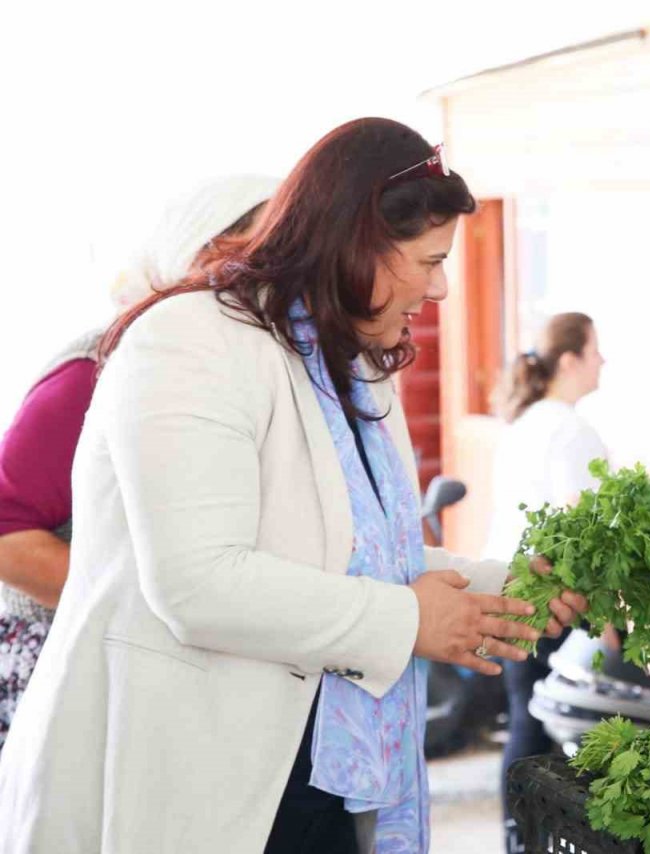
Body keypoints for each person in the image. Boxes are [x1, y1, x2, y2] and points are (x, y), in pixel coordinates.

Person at [0, 118, 585, 854]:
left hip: (315, 767)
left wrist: (503, 588)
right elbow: (197, 584)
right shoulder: (188, 338)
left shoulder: (351, 364)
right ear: (356, 246)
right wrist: (407, 620)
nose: (440, 288)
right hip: (197, 768)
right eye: (429, 261)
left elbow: (358, 555)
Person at [0, 174, 278, 752]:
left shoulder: (240, 365)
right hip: (71, 673)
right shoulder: (98, 368)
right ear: (198, 257)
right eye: (263, 255)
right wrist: (144, 608)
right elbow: (6, 533)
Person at [484, 311, 607, 853]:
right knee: (541, 727)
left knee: (525, 718)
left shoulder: (526, 420)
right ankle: (531, 838)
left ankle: (520, 838)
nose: (604, 361)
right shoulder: (569, 427)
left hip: (505, 585)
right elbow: (579, 526)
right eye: (596, 350)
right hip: (546, 595)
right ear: (570, 360)